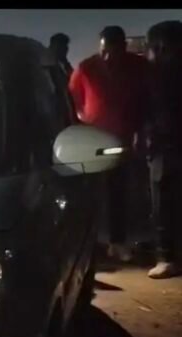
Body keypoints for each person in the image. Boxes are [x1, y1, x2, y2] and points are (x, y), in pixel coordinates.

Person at [69, 26, 148, 262]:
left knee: (118, 192)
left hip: (122, 139)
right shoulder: (86, 68)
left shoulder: (138, 67)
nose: (105, 57)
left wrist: (140, 131)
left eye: (110, 52)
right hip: (92, 139)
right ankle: (89, 243)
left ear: (122, 48)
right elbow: (73, 98)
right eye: (102, 51)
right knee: (89, 193)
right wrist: (82, 118)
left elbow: (146, 99)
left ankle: (116, 241)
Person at [142, 21, 182, 279]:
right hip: (165, 146)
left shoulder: (158, 74)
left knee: (163, 204)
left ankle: (167, 257)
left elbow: (154, 112)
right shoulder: (158, 73)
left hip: (165, 148)